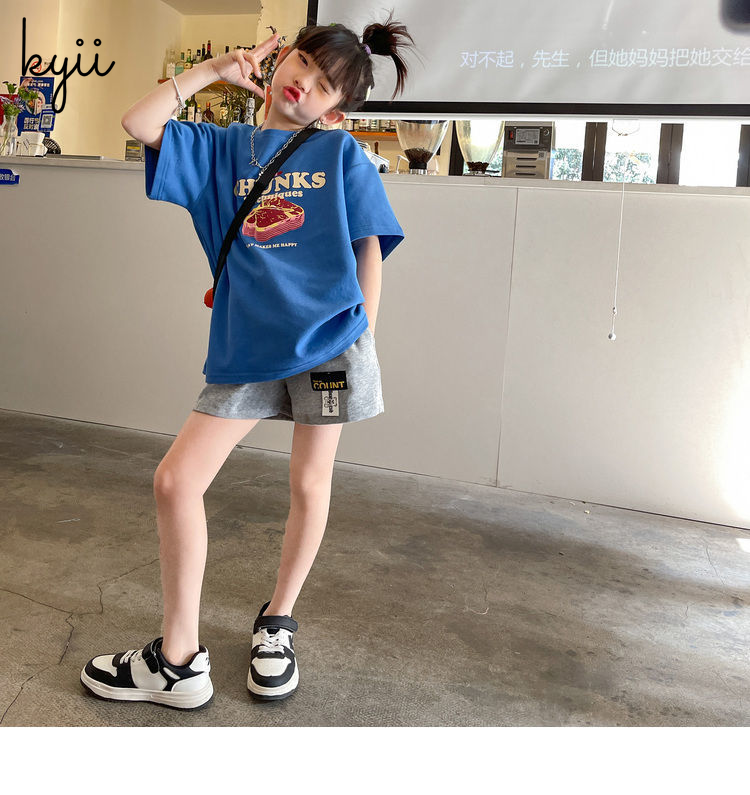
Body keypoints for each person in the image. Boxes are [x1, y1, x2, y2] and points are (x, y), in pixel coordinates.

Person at [79, 13, 415, 710]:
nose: (305, 86)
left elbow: (369, 251)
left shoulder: (341, 155)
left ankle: (277, 623)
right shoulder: (221, 147)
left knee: (310, 485)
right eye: (304, 64)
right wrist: (212, 72)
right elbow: (138, 123)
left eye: (325, 87)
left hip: (331, 344)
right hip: (248, 345)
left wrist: (362, 339)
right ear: (282, 56)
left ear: (335, 109)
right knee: (176, 481)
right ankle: (178, 659)